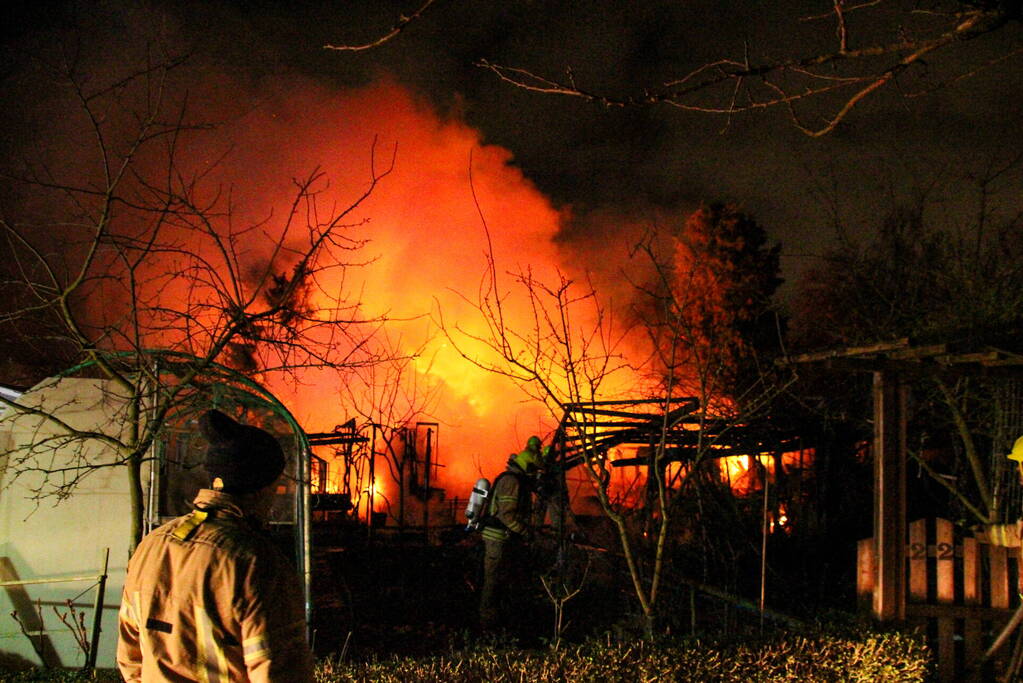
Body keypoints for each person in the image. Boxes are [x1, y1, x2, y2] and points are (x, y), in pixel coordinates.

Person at [117, 409, 314, 682]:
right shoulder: (257, 562)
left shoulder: (151, 546)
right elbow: (279, 671)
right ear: (261, 488)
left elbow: (130, 657)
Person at [478, 435, 544, 630]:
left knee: (503, 579)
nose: (535, 476)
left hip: (503, 538)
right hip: (497, 539)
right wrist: (525, 532)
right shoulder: (512, 482)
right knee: (493, 581)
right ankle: (487, 624)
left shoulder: (513, 479)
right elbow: (507, 516)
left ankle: (501, 620)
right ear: (527, 467)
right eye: (534, 471)